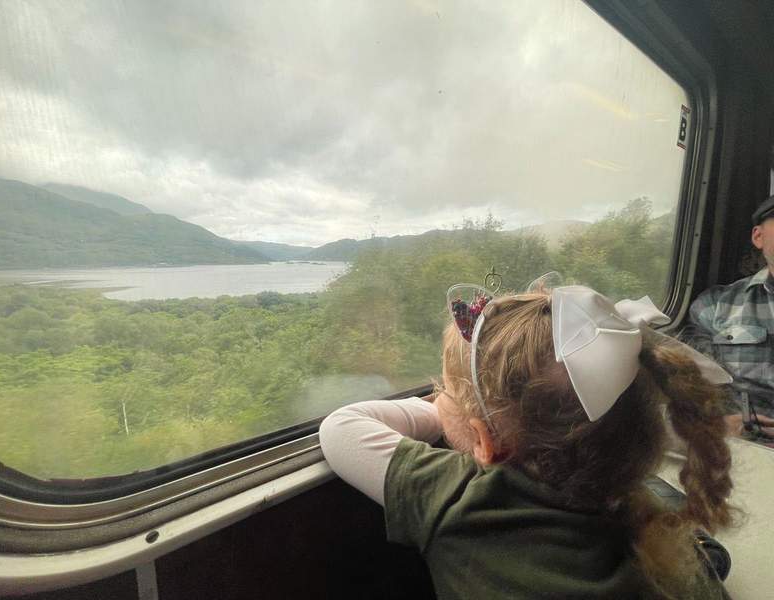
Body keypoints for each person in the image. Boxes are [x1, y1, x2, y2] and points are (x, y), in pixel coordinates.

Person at [320, 284, 733, 599]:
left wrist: (449, 415)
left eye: (443, 389)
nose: (435, 396)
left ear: (486, 441)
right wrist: (469, 410)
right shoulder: (641, 520)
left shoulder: (461, 498)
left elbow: (341, 428)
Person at [689, 193, 774, 436]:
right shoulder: (714, 306)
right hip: (741, 447)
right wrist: (717, 423)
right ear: (758, 236)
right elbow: (692, 383)